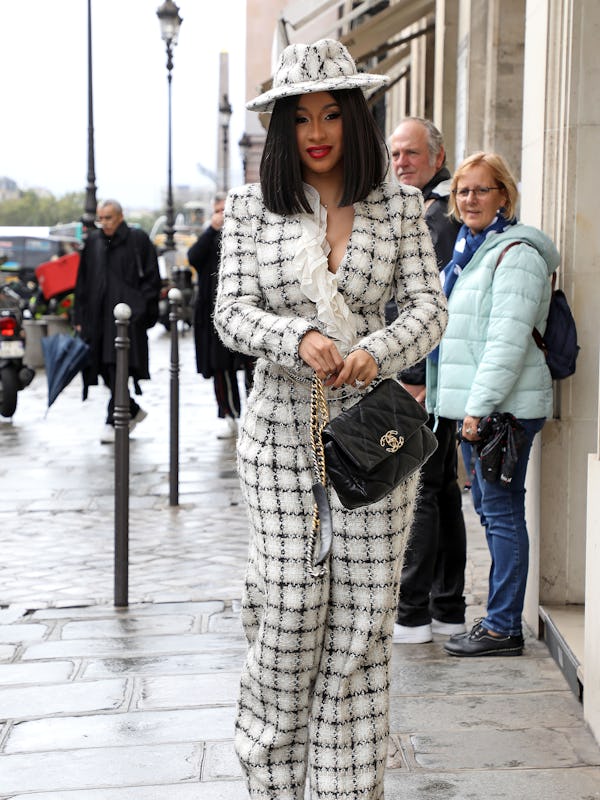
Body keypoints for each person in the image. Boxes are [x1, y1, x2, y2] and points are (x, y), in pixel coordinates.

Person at [213, 39, 448, 800]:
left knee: (359, 627)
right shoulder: (252, 206)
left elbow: (428, 308)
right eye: (301, 118)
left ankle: (346, 790)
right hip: (281, 432)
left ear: (354, 118)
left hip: (371, 436)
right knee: (288, 612)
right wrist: (297, 337)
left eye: (331, 115)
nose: (316, 132)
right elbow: (229, 314)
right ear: (282, 127)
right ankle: (273, 784)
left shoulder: (399, 204)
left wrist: (375, 352)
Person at [427, 151, 559, 657]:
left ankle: (504, 626)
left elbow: (505, 343)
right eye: (463, 190)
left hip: (501, 410)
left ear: (505, 194)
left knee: (501, 513)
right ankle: (499, 619)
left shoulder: (517, 254)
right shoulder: (471, 250)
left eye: (482, 189)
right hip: (478, 408)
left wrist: (476, 411)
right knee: (489, 509)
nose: (470, 199)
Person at [389, 117, 468, 644]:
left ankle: (414, 613)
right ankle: (447, 605)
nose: (401, 163)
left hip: (426, 377)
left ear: (437, 158)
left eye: (411, 154)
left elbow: (430, 307)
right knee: (439, 492)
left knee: (421, 492)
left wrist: (413, 375)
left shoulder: (436, 218)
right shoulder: (421, 210)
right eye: (395, 155)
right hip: (431, 375)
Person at [74, 199, 161, 444]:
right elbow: (83, 281)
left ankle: (113, 420)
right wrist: (79, 317)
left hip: (126, 321)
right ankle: (132, 409)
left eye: (108, 217)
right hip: (97, 320)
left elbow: (152, 278)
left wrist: (139, 309)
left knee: (118, 368)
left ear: (120, 216)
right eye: (101, 218)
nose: (104, 223)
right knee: (101, 368)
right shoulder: (93, 242)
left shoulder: (138, 240)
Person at [188, 193, 255, 439]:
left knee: (252, 366)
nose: (221, 215)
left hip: (247, 310)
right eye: (217, 210)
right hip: (214, 313)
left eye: (224, 210)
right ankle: (229, 414)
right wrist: (211, 230)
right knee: (221, 368)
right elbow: (194, 257)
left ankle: (254, 413)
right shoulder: (210, 237)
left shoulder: (246, 232)